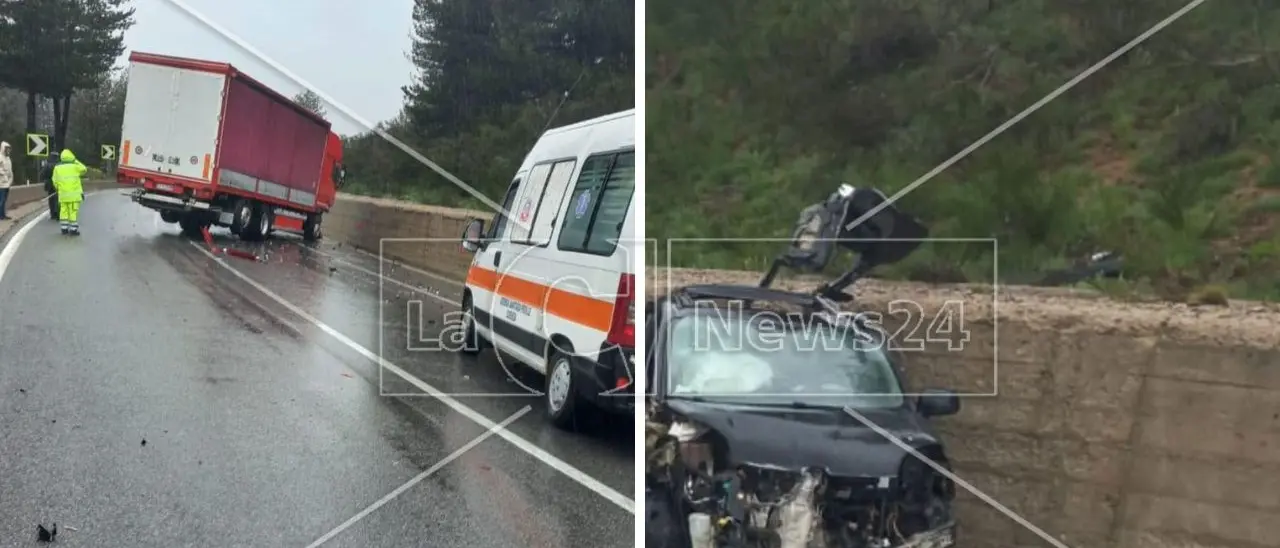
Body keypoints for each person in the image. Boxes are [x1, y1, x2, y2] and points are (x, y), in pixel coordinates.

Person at [51, 149, 86, 235]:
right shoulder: (75, 166)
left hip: (63, 195)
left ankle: (64, 229)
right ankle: (73, 230)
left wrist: (58, 188)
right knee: (73, 211)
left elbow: (54, 180)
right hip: (74, 195)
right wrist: (75, 160)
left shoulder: (57, 167)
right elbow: (84, 169)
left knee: (63, 211)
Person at [42, 157, 58, 221]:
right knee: (57, 199)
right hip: (58, 183)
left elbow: (42, 174)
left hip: (49, 184)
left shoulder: (47, 165)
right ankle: (57, 212)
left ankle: (52, 214)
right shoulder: (59, 165)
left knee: (51, 200)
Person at [0, 141, 12, 220]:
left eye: (9, 149)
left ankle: (3, 215)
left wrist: (11, 178)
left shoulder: (8, 158)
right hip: (1, 183)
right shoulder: (0, 157)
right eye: (7, 149)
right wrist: (4, 175)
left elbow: (10, 170)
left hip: (7, 182)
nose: (8, 151)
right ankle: (1, 215)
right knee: (2, 200)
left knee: (4, 200)